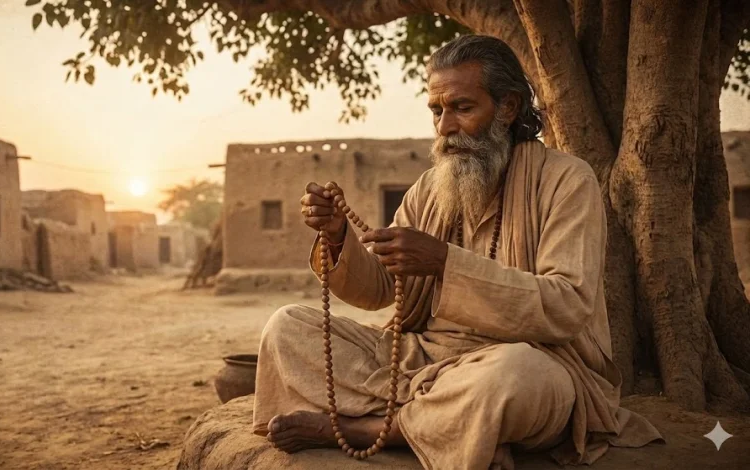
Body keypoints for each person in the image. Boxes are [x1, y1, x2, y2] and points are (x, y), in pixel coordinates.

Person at [252, 35, 662, 469]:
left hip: (527, 361)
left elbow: (566, 305)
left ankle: (370, 429)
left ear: (507, 108)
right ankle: (454, 426)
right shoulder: (429, 188)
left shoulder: (567, 181)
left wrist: (445, 263)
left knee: (514, 378)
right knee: (286, 327)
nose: (445, 127)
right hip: (420, 360)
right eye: (437, 110)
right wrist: (337, 237)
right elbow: (380, 290)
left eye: (462, 108)